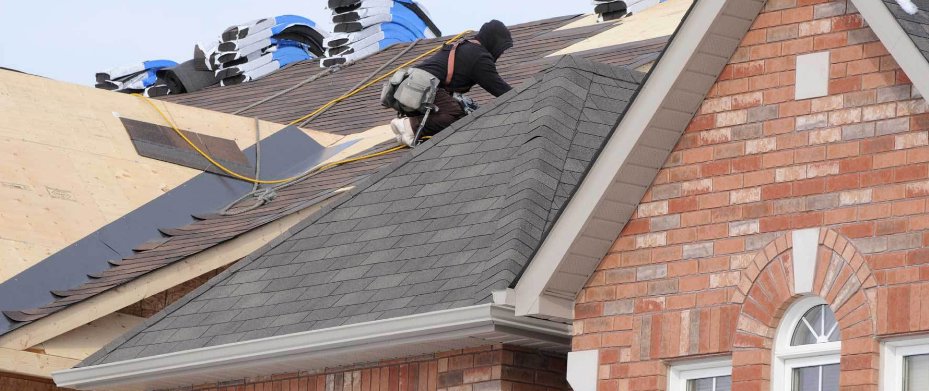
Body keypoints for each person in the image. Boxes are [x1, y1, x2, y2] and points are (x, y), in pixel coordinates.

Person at [390, 19, 513, 145]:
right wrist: (526, 94)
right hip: (422, 87)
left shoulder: (466, 48)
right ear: (494, 42)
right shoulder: (479, 57)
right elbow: (500, 89)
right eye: (501, 48)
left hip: (408, 86)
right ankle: (408, 125)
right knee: (455, 114)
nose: (501, 53)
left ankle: (408, 131)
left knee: (458, 112)